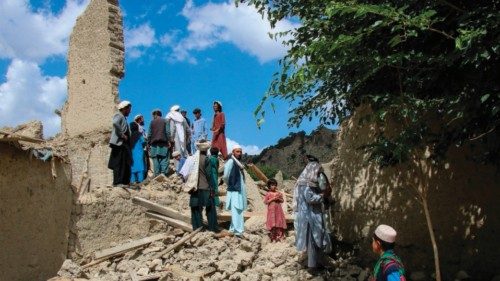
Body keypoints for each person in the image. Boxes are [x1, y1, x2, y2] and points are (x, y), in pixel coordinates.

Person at [293, 155, 332, 270]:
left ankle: (316, 262)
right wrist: (323, 196)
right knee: (313, 240)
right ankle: (312, 266)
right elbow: (310, 199)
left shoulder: (305, 181)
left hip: (311, 214)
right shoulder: (306, 183)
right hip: (310, 216)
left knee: (316, 239)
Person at [187, 141, 218, 232]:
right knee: (210, 208)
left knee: (195, 208)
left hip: (194, 188)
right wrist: (212, 188)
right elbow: (209, 175)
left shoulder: (192, 159)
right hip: (205, 187)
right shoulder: (206, 159)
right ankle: (212, 228)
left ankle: (197, 228)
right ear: (207, 150)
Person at [221, 145, 247, 237]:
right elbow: (225, 176)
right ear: (233, 152)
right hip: (234, 189)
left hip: (239, 189)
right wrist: (230, 183)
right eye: (237, 151)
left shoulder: (238, 163)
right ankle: (238, 231)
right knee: (237, 209)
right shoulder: (231, 161)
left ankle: (233, 228)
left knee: (238, 209)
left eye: (240, 152)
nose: (239, 153)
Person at [108, 101, 132, 187]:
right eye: (129, 109)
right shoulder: (119, 115)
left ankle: (124, 182)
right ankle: (117, 182)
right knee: (118, 163)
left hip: (124, 145)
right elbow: (115, 123)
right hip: (119, 144)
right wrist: (122, 134)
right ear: (125, 108)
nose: (130, 111)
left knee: (124, 162)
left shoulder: (124, 118)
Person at [148, 109, 170, 177]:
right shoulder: (165, 121)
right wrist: (169, 141)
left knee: (155, 159)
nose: (153, 117)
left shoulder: (152, 122)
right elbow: (168, 132)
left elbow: (149, 134)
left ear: (155, 115)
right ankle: (163, 174)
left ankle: (157, 175)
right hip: (163, 143)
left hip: (154, 144)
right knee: (164, 158)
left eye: (153, 115)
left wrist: (148, 143)